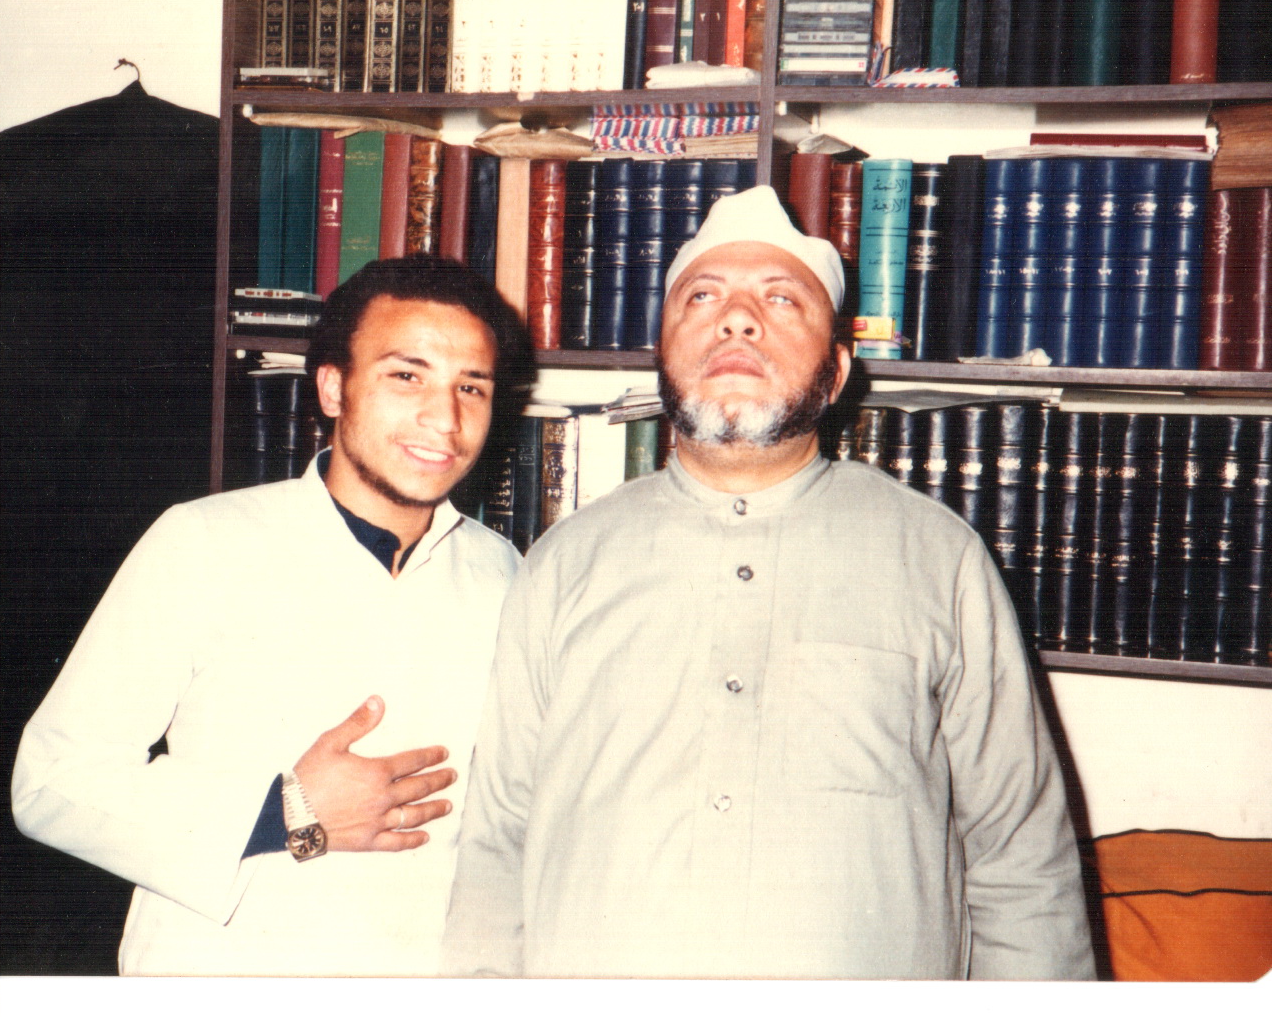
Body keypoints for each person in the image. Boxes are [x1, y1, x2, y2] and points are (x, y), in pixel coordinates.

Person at [442, 186, 1095, 980]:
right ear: (661, 352)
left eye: (780, 300)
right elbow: (496, 843)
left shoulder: (938, 558)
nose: (737, 319)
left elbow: (1020, 859)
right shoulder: (563, 563)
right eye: (702, 297)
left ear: (837, 371)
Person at [13, 255, 534, 975]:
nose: (443, 418)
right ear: (332, 387)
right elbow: (51, 783)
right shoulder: (203, 541)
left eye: (469, 387)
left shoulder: (507, 572)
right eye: (405, 375)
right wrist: (287, 810)